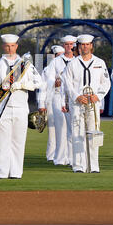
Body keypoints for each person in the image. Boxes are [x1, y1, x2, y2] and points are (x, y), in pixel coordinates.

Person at [0, 34, 42, 179]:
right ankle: (2, 173)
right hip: (3, 107)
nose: (10, 48)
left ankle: (16, 172)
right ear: (4, 46)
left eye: (12, 46)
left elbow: (38, 82)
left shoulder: (25, 64)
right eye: (7, 46)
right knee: (2, 143)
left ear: (16, 46)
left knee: (18, 142)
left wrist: (22, 85)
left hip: (21, 107)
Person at [62, 34, 110, 173]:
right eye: (82, 45)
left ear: (91, 46)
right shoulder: (72, 64)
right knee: (77, 133)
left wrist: (98, 95)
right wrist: (76, 96)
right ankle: (78, 165)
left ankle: (93, 165)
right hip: (78, 103)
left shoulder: (99, 62)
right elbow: (67, 83)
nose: (85, 47)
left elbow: (106, 83)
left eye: (87, 44)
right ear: (78, 47)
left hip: (93, 103)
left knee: (94, 133)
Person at [43, 35, 76, 166]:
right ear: (63, 46)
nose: (69, 47)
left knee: (73, 128)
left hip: (73, 96)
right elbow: (48, 78)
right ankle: (60, 158)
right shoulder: (56, 62)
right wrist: (55, 81)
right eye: (67, 44)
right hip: (58, 95)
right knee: (60, 128)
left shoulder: (77, 60)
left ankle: (72, 158)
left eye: (71, 44)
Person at [37, 45, 64, 162]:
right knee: (52, 130)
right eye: (58, 55)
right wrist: (41, 104)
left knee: (65, 129)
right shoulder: (47, 69)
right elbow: (42, 87)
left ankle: (64, 155)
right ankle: (51, 155)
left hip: (64, 100)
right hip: (51, 99)